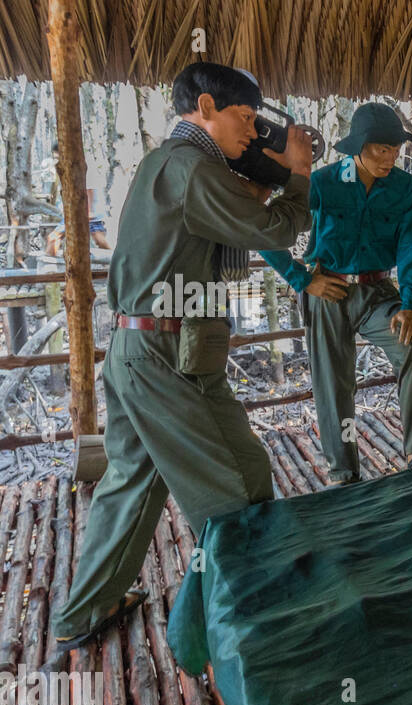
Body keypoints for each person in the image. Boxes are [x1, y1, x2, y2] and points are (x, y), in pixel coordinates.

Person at [48, 62, 312, 657]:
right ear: (207, 107)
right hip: (168, 355)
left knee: (130, 486)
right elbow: (274, 231)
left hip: (138, 350)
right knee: (240, 481)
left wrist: (262, 175)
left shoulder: (166, 163)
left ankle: (84, 611)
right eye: (245, 119)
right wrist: (298, 174)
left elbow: (228, 214)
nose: (252, 132)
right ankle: (256, 625)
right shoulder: (192, 168)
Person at [261, 102, 412, 483]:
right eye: (381, 149)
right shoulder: (323, 182)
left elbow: (411, 249)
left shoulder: (406, 188)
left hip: (379, 291)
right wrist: (301, 279)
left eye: (395, 149)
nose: (390, 157)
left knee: (411, 347)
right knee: (334, 381)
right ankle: (344, 472)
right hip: (327, 289)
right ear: (359, 146)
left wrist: (409, 305)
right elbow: (263, 230)